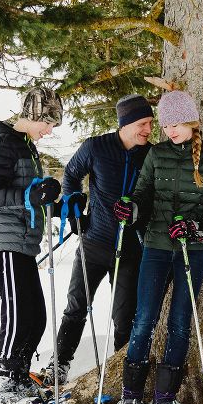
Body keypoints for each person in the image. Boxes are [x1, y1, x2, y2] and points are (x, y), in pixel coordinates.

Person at [109, 90, 203, 404]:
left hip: (191, 251)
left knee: (180, 323)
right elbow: (143, 194)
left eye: (177, 123)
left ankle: (166, 399)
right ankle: (131, 397)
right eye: (165, 125)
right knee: (144, 319)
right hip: (156, 247)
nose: (171, 131)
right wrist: (131, 209)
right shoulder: (156, 155)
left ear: (192, 121)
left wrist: (199, 228)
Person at [40, 94, 153, 386]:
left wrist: (138, 210)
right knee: (76, 307)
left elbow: (154, 198)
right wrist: (76, 203)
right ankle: (59, 365)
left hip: (130, 249)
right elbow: (72, 175)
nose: (148, 130)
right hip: (94, 243)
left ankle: (122, 369)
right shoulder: (96, 147)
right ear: (126, 124)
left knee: (125, 315)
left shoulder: (150, 155)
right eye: (143, 123)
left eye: (151, 123)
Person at [0, 86, 64, 404]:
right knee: (17, 314)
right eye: (48, 123)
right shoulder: (4, 142)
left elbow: (26, 190)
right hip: (4, 239)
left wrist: (47, 194)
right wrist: (29, 197)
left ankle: (19, 376)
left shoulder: (26, 146)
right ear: (33, 115)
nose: (50, 131)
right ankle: (2, 386)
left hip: (23, 240)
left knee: (35, 315)